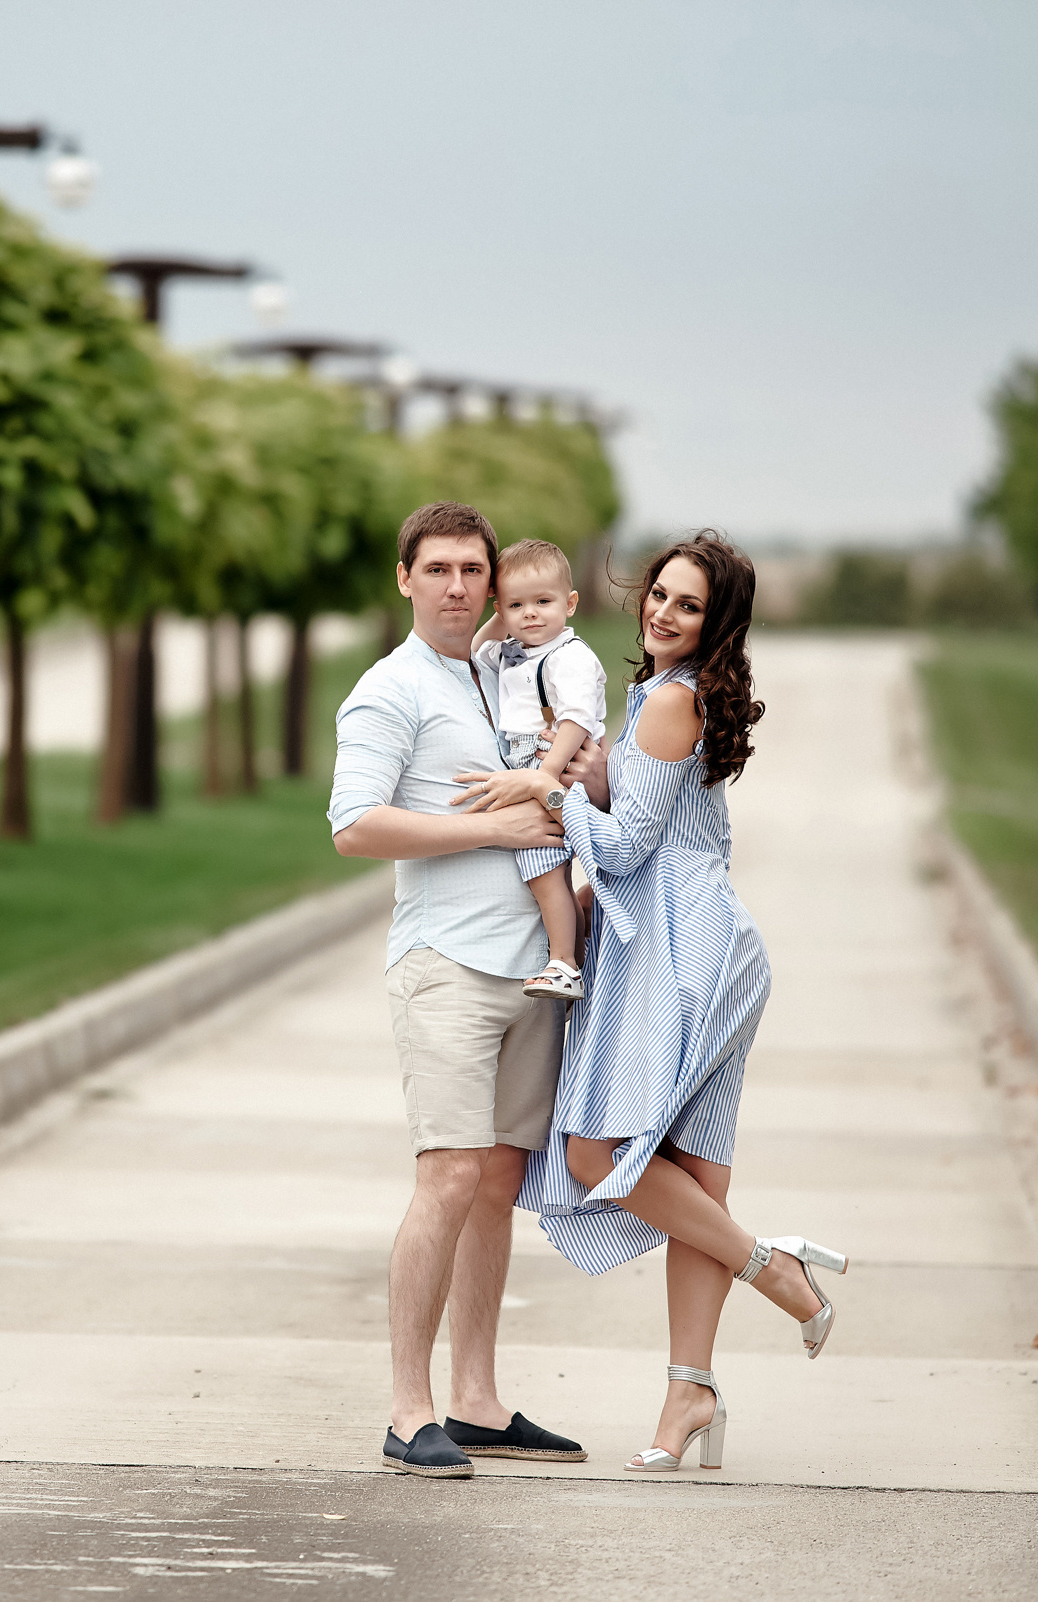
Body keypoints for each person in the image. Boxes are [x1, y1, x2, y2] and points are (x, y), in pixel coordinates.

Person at [454, 532, 847, 1475]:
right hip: (693, 942)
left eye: (688, 605)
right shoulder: (660, 697)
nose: (664, 613)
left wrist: (546, 791)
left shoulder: (672, 701)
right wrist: (582, 772)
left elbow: (626, 847)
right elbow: (638, 818)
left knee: (596, 1148)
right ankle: (689, 1392)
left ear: (718, 626)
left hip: (679, 951)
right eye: (659, 595)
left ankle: (771, 1269)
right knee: (694, 1180)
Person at [327, 500, 592, 1480]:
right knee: (446, 1175)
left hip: (533, 971)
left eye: (469, 571)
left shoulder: (502, 677)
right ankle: (410, 1410)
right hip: (444, 969)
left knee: (496, 1187)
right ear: (404, 579)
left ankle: (476, 1401)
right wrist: (492, 830)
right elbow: (353, 826)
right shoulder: (389, 691)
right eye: (434, 569)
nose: (454, 586)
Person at [472, 538, 607, 1003]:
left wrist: (543, 776)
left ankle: (565, 962)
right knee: (544, 871)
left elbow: (575, 719)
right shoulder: (516, 649)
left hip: (550, 761)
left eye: (542, 602)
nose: (530, 614)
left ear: (569, 604)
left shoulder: (567, 657)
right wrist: (501, 614)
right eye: (516, 605)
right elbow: (476, 648)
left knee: (545, 872)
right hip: (530, 763)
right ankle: (572, 944)